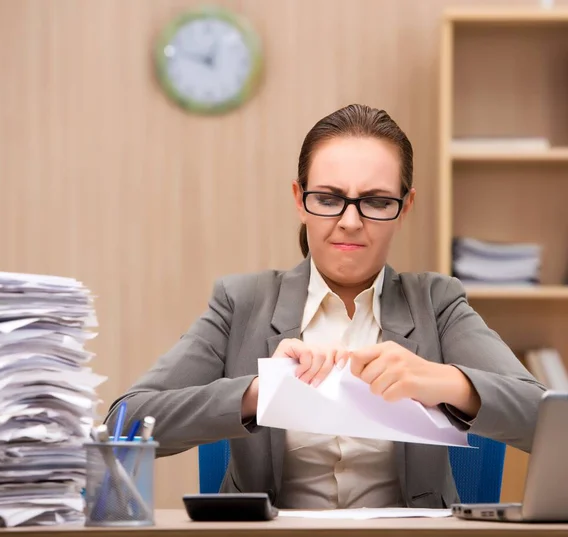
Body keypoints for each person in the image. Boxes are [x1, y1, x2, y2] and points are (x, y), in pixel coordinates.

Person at [106, 104, 545, 510]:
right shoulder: (241, 302)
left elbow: (543, 421)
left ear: (404, 207)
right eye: (329, 199)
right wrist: (262, 391)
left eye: (375, 201)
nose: (350, 221)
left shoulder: (438, 302)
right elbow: (122, 426)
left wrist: (444, 381)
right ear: (300, 200)